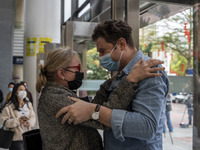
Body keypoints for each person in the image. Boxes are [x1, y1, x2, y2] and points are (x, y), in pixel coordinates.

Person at [56, 19, 169, 150]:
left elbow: (147, 127)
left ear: (121, 44)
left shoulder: (148, 70)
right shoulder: (122, 74)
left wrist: (94, 111)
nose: (100, 57)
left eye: (103, 51)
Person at [36, 47, 165, 150]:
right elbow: (101, 116)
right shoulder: (55, 98)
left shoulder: (60, 92)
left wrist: (110, 83)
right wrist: (130, 81)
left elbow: (92, 110)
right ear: (61, 73)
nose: (81, 73)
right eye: (78, 69)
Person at [1, 83, 36, 150]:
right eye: (21, 90)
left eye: (24, 90)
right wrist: (18, 121)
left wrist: (30, 122)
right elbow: (4, 121)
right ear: (16, 92)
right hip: (15, 139)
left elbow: (33, 117)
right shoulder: (9, 107)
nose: (23, 92)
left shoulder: (28, 105)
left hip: (27, 137)